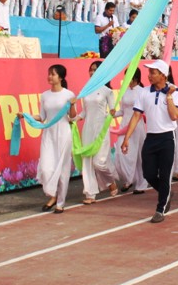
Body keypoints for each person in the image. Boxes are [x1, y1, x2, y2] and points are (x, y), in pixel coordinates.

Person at [120, 59, 178, 223]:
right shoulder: (143, 92)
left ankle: (160, 209)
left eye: (153, 72)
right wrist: (126, 138)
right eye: (149, 72)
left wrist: (168, 96)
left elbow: (174, 115)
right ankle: (165, 191)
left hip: (167, 137)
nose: (149, 75)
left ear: (163, 75)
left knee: (166, 174)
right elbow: (136, 116)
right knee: (148, 173)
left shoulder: (175, 92)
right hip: (151, 137)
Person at [37, 64, 78, 214]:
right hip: (49, 134)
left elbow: (73, 117)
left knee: (63, 170)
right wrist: (26, 116)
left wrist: (73, 105)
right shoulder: (44, 95)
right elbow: (42, 117)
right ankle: (52, 195)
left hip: (63, 133)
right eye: (49, 74)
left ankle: (60, 202)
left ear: (60, 78)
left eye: (53, 74)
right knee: (46, 168)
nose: (50, 77)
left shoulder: (68, 94)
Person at [77, 60, 120, 204]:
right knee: (87, 162)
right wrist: (74, 119)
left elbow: (112, 110)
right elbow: (84, 112)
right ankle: (90, 194)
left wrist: (112, 112)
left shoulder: (107, 91)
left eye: (95, 70)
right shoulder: (86, 90)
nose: (92, 72)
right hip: (88, 129)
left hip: (101, 129)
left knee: (99, 163)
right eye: (91, 69)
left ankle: (110, 181)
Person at [114, 68, 149, 194]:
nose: (126, 79)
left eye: (128, 76)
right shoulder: (124, 91)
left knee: (139, 155)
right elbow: (122, 111)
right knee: (120, 153)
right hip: (124, 126)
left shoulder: (143, 91)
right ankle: (129, 178)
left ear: (135, 77)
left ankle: (141, 183)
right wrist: (111, 114)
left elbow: (143, 111)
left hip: (137, 127)